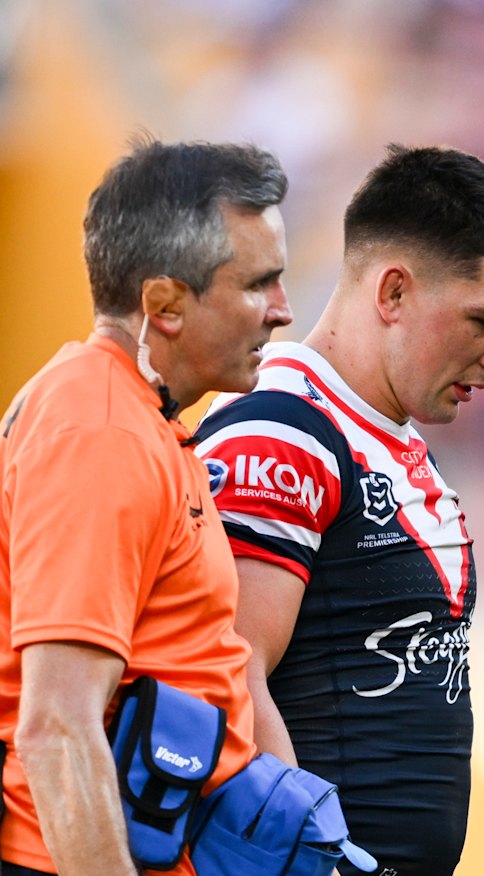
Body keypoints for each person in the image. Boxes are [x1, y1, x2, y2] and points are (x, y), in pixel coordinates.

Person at [194, 144, 484, 876]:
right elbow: (225, 674)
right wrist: (312, 863)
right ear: (392, 293)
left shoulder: (385, 438)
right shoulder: (284, 433)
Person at [0, 136, 292, 876]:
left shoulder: (142, 416)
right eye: (260, 283)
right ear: (164, 304)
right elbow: (57, 727)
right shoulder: (100, 429)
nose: (282, 312)